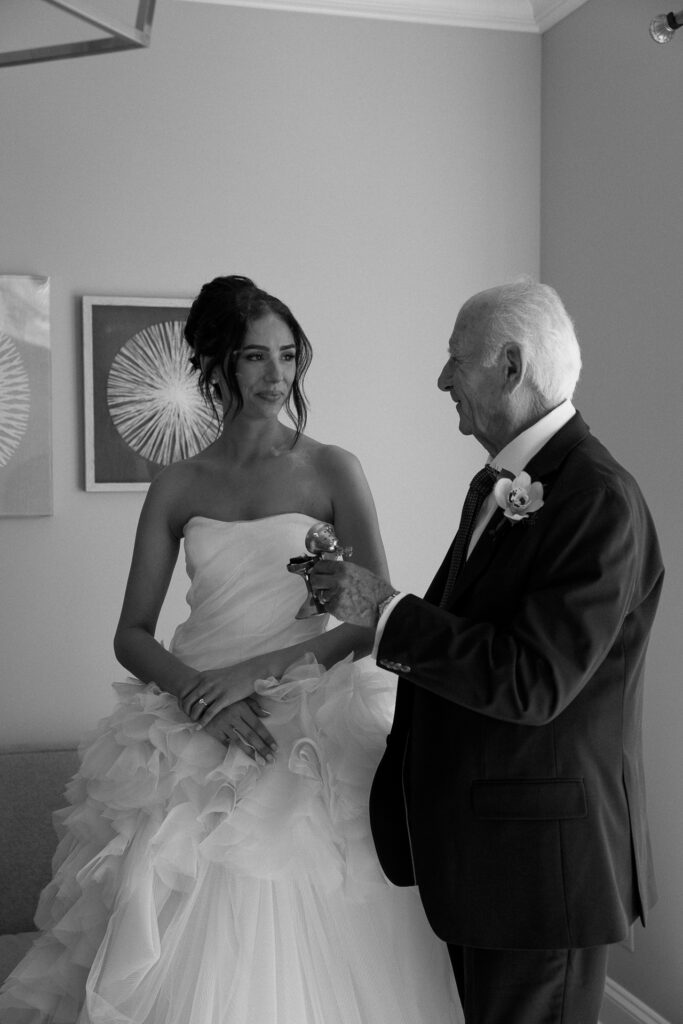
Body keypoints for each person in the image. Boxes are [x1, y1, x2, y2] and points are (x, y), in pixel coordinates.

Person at [0, 275, 462, 1023]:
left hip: (305, 715)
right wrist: (199, 696)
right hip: (194, 714)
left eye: (288, 355)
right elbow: (131, 632)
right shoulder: (177, 484)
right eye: (254, 356)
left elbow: (371, 617)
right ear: (215, 366)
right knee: (162, 888)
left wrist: (250, 675)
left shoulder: (331, 469)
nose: (276, 375)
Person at [311, 279, 665, 1024]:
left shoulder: (597, 498)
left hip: (540, 874)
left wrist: (384, 611)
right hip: (491, 859)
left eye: (455, 358)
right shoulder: (505, 484)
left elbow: (533, 681)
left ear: (510, 366)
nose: (443, 379)